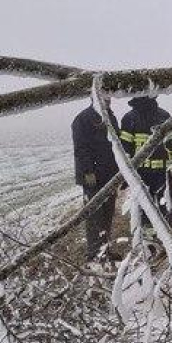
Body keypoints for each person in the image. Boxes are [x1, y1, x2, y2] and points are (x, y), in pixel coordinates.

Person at [117, 95, 172, 237]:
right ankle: (152, 243)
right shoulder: (130, 119)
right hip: (145, 174)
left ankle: (168, 240)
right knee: (149, 209)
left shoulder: (163, 116)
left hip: (158, 173)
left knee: (167, 206)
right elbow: (125, 151)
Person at [70, 101, 118, 261]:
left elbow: (117, 147)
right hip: (93, 178)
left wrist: (119, 173)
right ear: (94, 98)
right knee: (94, 217)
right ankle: (94, 254)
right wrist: (88, 171)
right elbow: (80, 148)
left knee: (107, 215)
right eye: (103, 98)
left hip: (109, 175)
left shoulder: (110, 117)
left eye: (108, 98)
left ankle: (105, 250)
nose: (107, 101)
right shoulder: (82, 119)